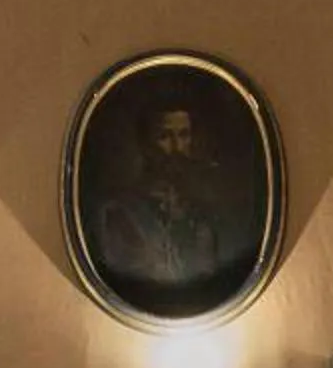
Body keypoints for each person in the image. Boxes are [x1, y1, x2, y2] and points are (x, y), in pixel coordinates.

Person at [93, 102, 239, 304]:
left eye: (184, 135)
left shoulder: (203, 211)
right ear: (145, 145)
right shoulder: (119, 211)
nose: (176, 147)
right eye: (164, 136)